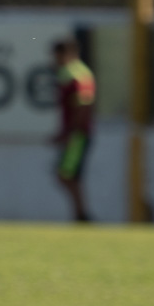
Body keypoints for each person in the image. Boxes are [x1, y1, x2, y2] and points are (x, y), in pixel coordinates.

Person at [50, 37, 97, 222]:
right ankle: (80, 215)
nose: (55, 60)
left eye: (57, 56)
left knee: (67, 176)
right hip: (75, 134)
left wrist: (70, 133)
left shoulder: (77, 75)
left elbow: (83, 107)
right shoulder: (68, 74)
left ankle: (82, 215)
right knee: (69, 176)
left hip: (78, 135)